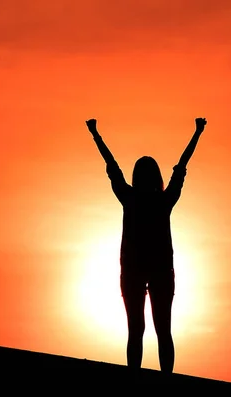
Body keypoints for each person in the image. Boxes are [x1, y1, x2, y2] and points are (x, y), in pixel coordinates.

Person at [85, 117, 207, 374]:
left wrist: (96, 134)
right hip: (148, 272)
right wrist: (197, 133)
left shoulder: (133, 198)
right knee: (159, 330)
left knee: (141, 331)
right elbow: (181, 168)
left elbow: (112, 167)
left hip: (141, 271)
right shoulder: (161, 200)